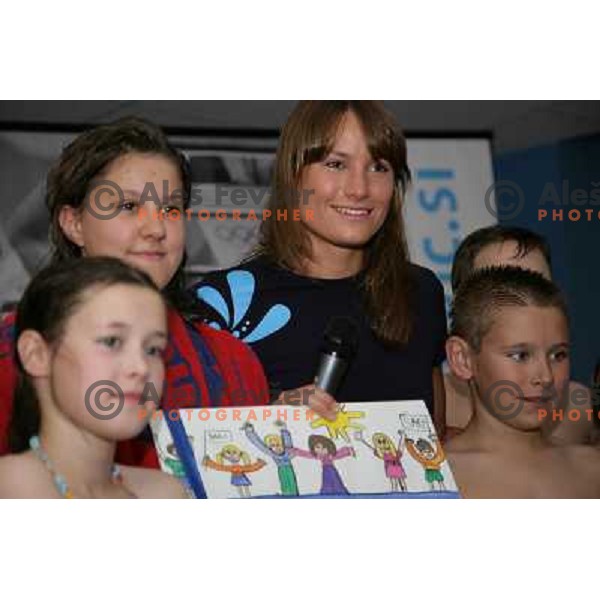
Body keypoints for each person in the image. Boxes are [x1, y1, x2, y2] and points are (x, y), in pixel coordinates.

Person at [0, 117, 269, 468]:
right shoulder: (16, 350)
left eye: (171, 210)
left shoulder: (233, 362)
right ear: (74, 223)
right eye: (128, 206)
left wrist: (288, 430)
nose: (156, 228)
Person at [194, 101, 447, 434]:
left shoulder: (421, 292)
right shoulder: (224, 302)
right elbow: (195, 449)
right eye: (336, 164)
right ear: (292, 175)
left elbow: (434, 441)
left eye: (379, 167)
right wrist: (269, 418)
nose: (359, 189)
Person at [0, 257, 187, 498]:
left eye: (153, 349)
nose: (141, 367)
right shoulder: (11, 488)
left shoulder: (165, 493)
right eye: (111, 341)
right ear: (36, 354)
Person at [445, 266, 600, 498]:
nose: (546, 376)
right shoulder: (435, 478)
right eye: (520, 355)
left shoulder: (591, 470)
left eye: (558, 355)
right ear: (463, 359)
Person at [445, 225, 593, 445]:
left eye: (537, 285)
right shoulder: (431, 405)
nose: (524, 299)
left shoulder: (579, 408)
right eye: (501, 288)